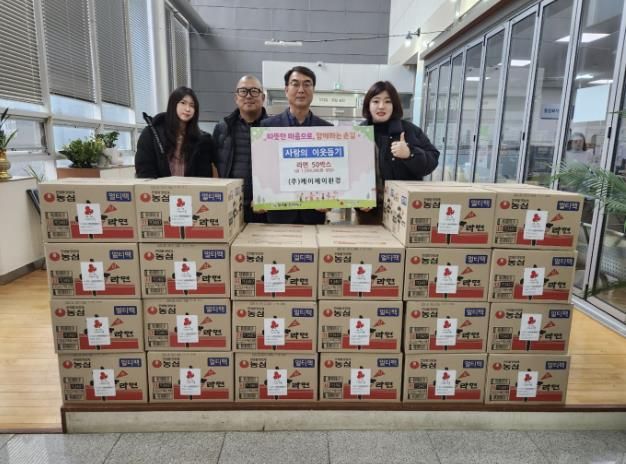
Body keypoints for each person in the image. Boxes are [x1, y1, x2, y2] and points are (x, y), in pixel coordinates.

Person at [357, 80, 439, 224]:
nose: (381, 106)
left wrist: (410, 154)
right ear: (368, 105)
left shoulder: (410, 131)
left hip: (405, 210)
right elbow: (348, 173)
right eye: (376, 101)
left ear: (394, 105)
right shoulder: (358, 133)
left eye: (387, 101)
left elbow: (432, 159)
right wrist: (357, 200)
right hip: (368, 212)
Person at [260, 66, 333, 225]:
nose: (301, 90)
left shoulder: (327, 130)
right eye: (295, 84)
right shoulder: (267, 128)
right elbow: (260, 168)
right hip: (278, 214)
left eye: (307, 84)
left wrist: (331, 201)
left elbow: (333, 171)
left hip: (314, 215)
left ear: (313, 90)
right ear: (286, 90)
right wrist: (259, 196)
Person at [213, 75, 268, 223]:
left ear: (263, 97)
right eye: (243, 91)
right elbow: (213, 166)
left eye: (254, 91)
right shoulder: (222, 128)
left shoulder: (274, 129)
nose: (248, 96)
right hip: (229, 207)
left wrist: (269, 198)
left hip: (263, 209)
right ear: (236, 97)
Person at [135, 86, 213, 178]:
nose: (188, 109)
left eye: (192, 105)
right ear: (173, 104)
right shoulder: (151, 133)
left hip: (190, 187)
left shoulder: (201, 140)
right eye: (183, 103)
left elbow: (204, 176)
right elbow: (144, 170)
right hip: (159, 187)